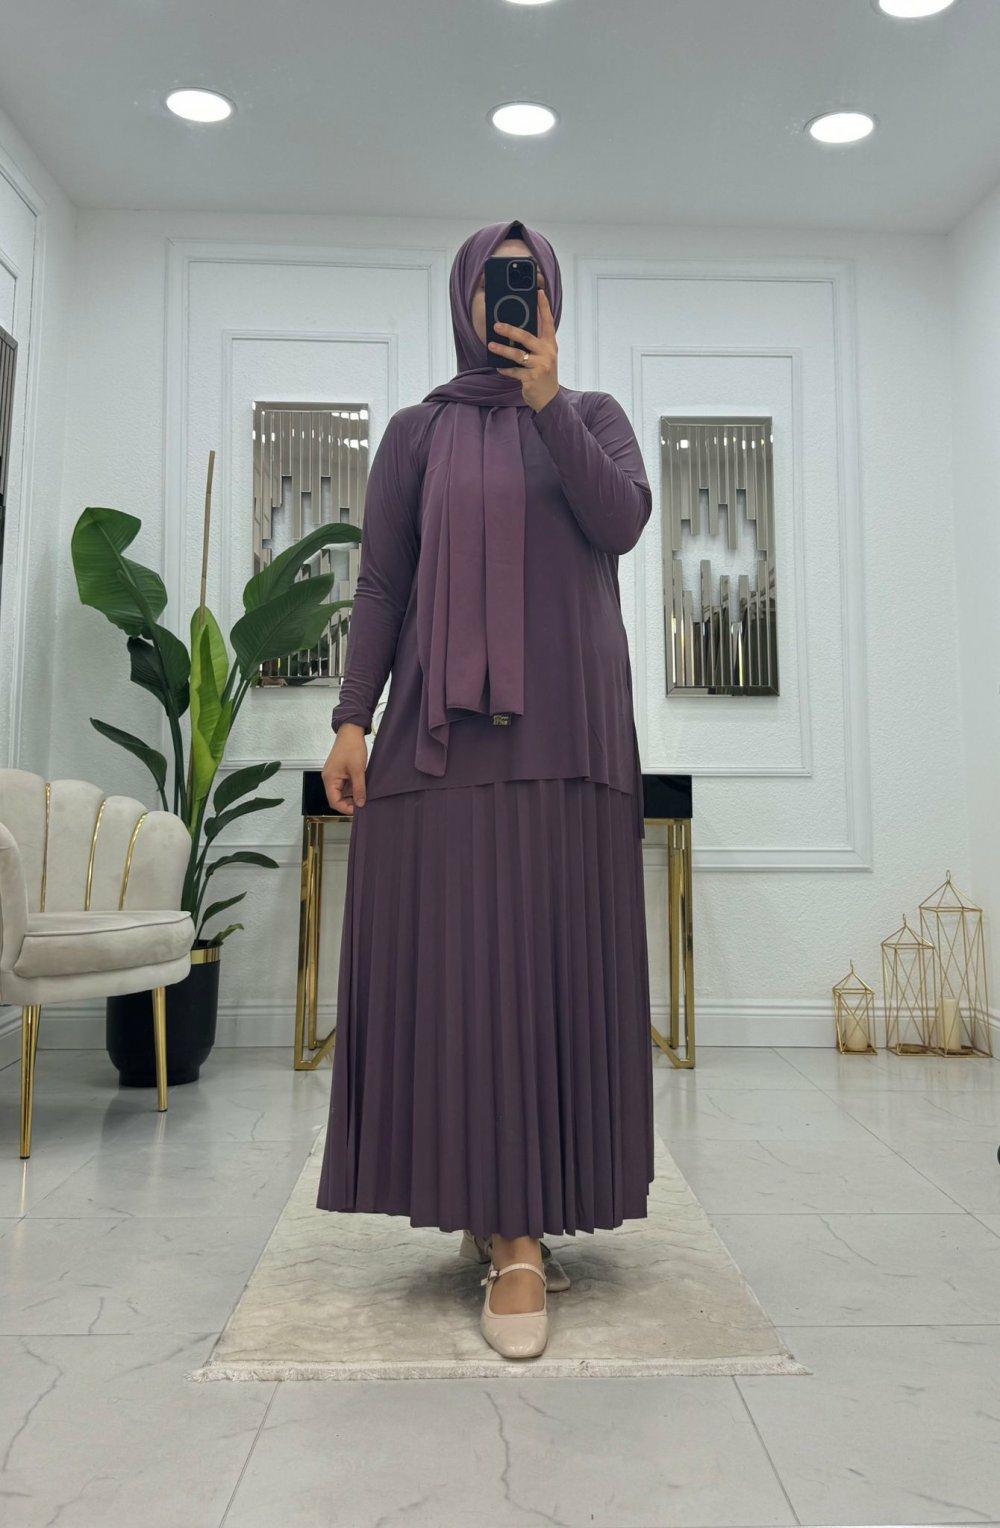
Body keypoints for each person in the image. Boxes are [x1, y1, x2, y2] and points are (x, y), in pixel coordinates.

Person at [316, 217, 655, 1360]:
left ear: (552, 298)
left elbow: (621, 523)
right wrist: (351, 719)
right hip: (440, 746)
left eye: (530, 281)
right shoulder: (415, 434)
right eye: (495, 282)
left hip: (570, 740)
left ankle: (520, 1235)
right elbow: (381, 585)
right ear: (463, 298)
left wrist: (548, 400)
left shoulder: (593, 416)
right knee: (461, 976)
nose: (511, 299)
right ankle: (484, 1201)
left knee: (543, 970)